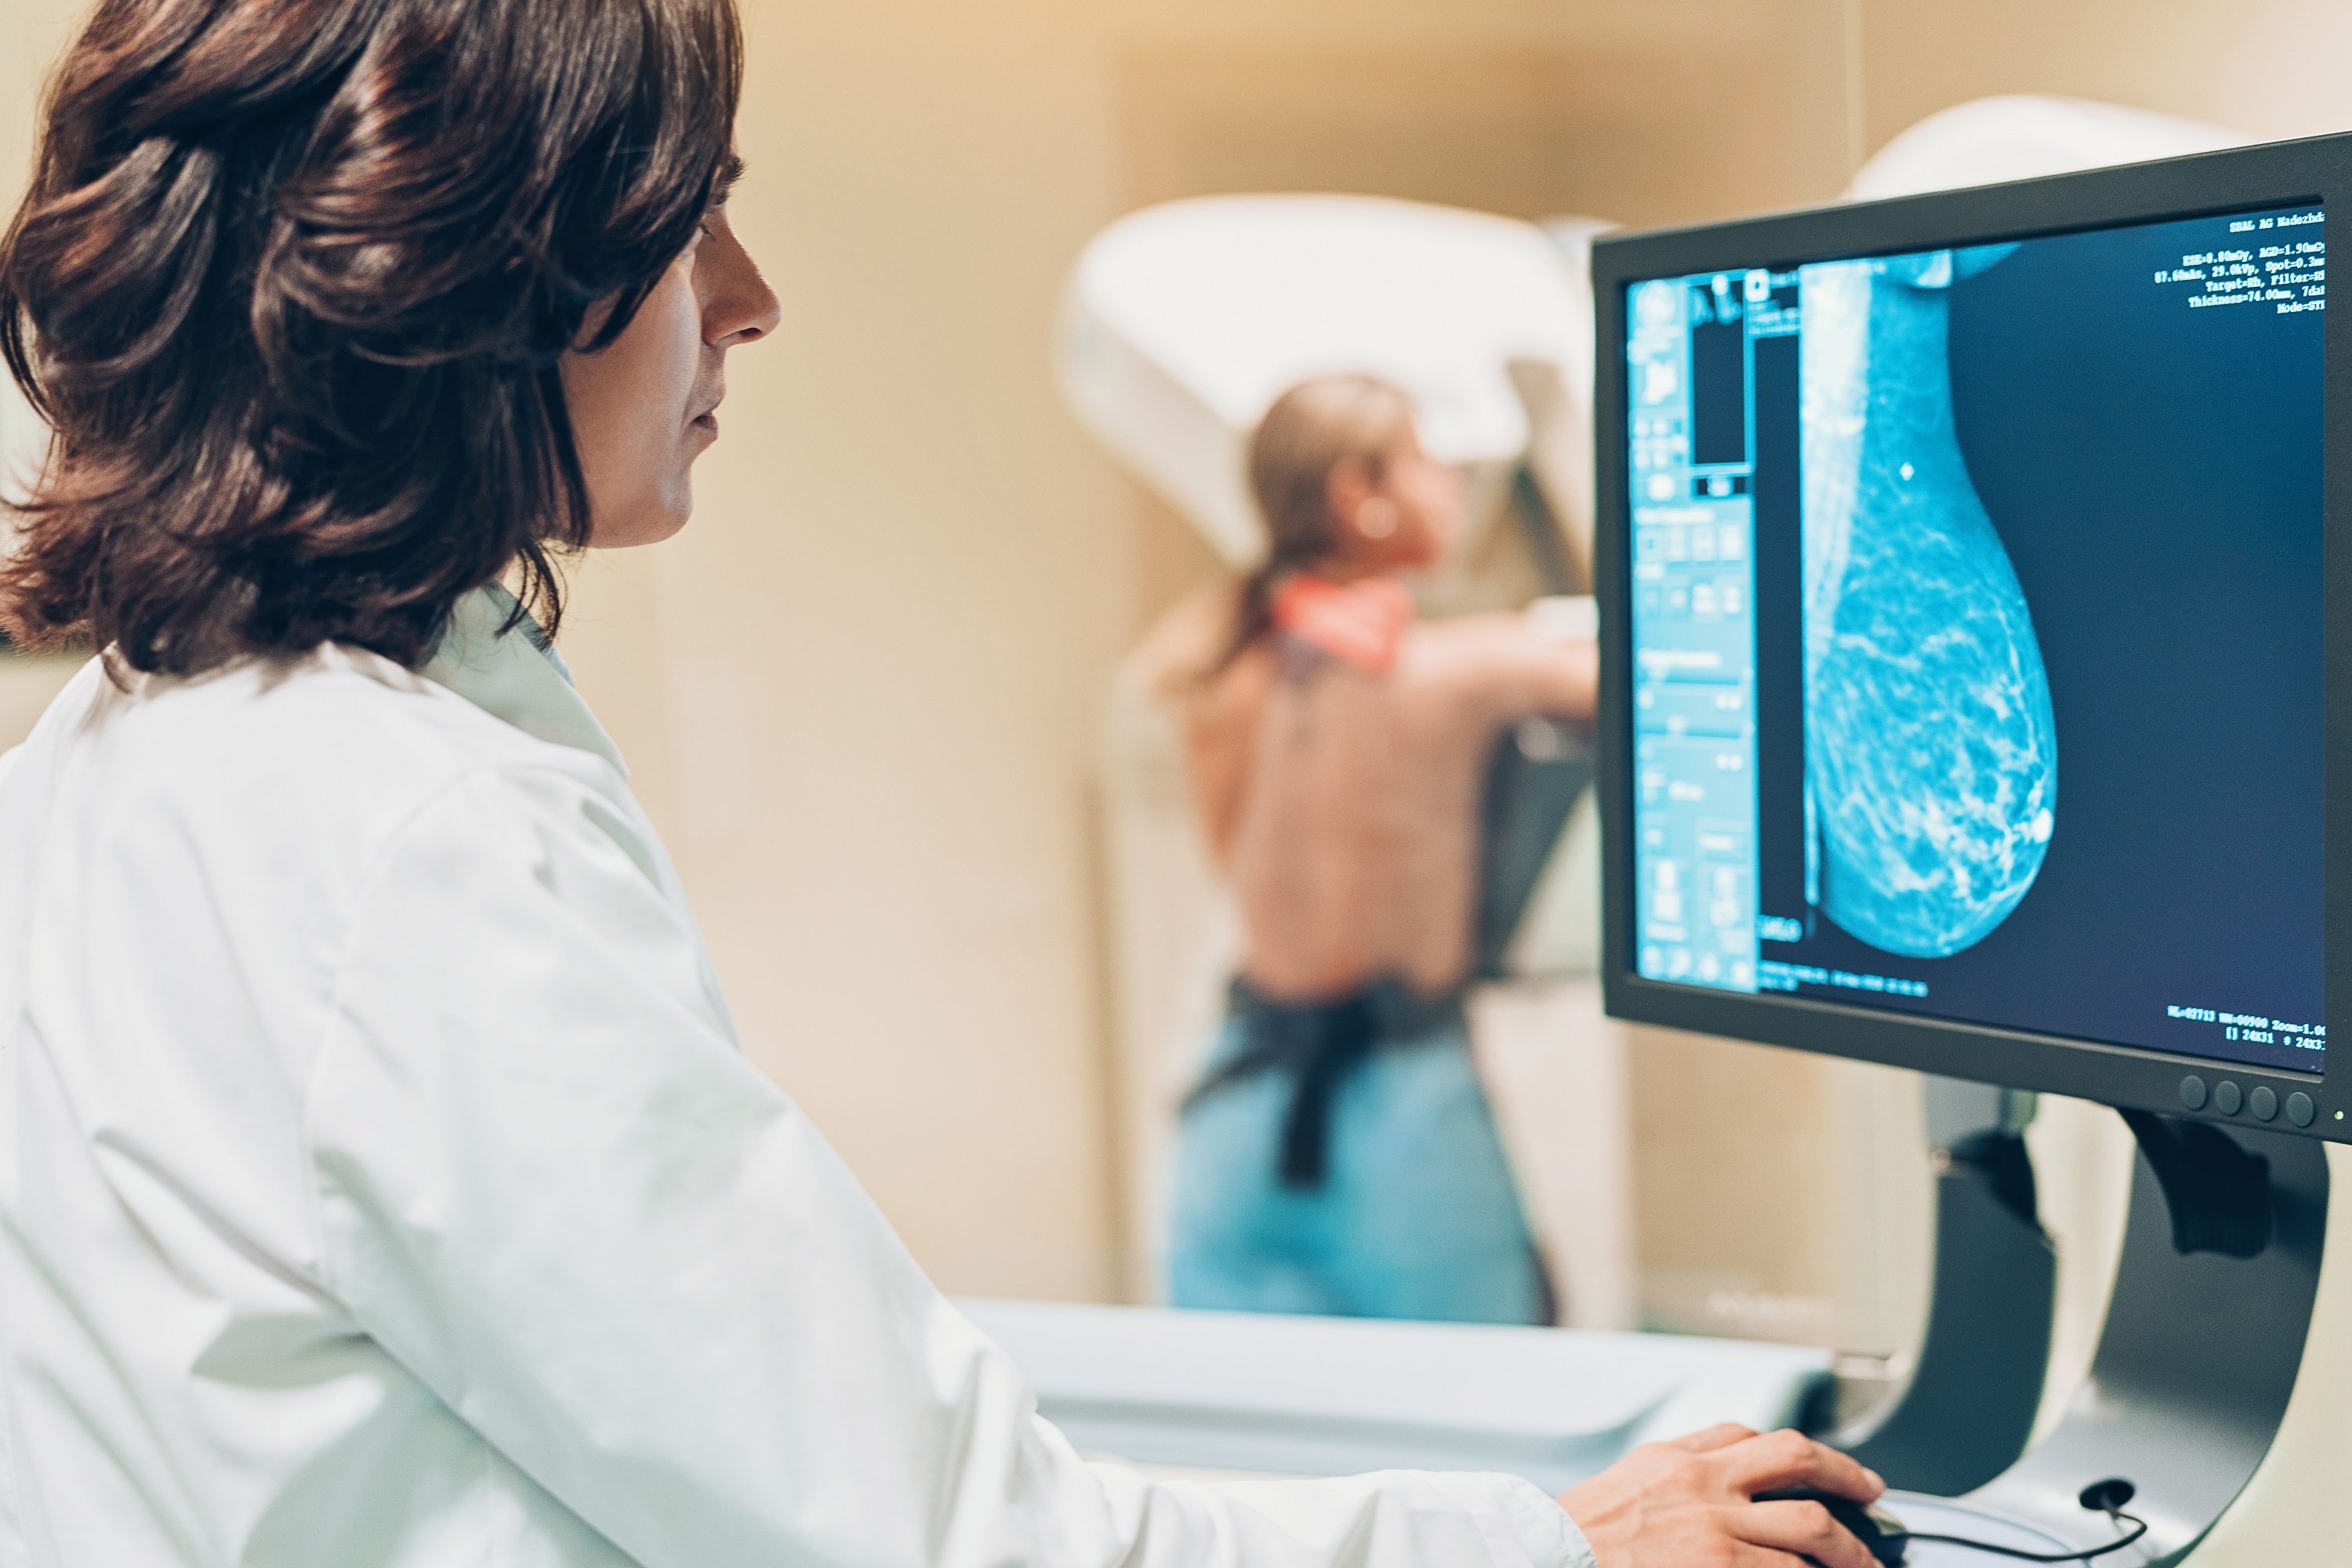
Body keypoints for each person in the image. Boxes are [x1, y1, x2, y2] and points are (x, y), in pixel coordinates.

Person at [0, 2, 1886, 1565]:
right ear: (476, 275)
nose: (748, 300)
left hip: (1263, 1088)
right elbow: (952, 1535)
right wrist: (1549, 1547)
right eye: (684, 227)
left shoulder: (109, 759)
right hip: (1355, 1096)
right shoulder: (404, 838)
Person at [1148, 375, 1595, 1325]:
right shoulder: (1453, 671)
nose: (1457, 489)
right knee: (1493, 1413)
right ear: (1361, 494)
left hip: (1235, 1099)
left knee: (1250, 1437)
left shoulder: (1208, 664)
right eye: (1431, 461)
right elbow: (1679, 672)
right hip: (1399, 1113)